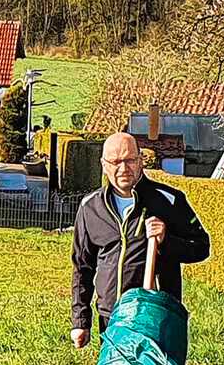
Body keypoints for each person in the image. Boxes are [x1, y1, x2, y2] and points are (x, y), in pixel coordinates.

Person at [70, 132, 209, 348]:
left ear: (141, 160)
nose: (123, 168)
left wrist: (166, 240)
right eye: (115, 162)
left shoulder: (169, 200)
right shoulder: (90, 207)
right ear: (104, 165)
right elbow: (82, 267)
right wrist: (80, 321)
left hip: (156, 317)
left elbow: (201, 247)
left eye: (129, 160)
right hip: (111, 318)